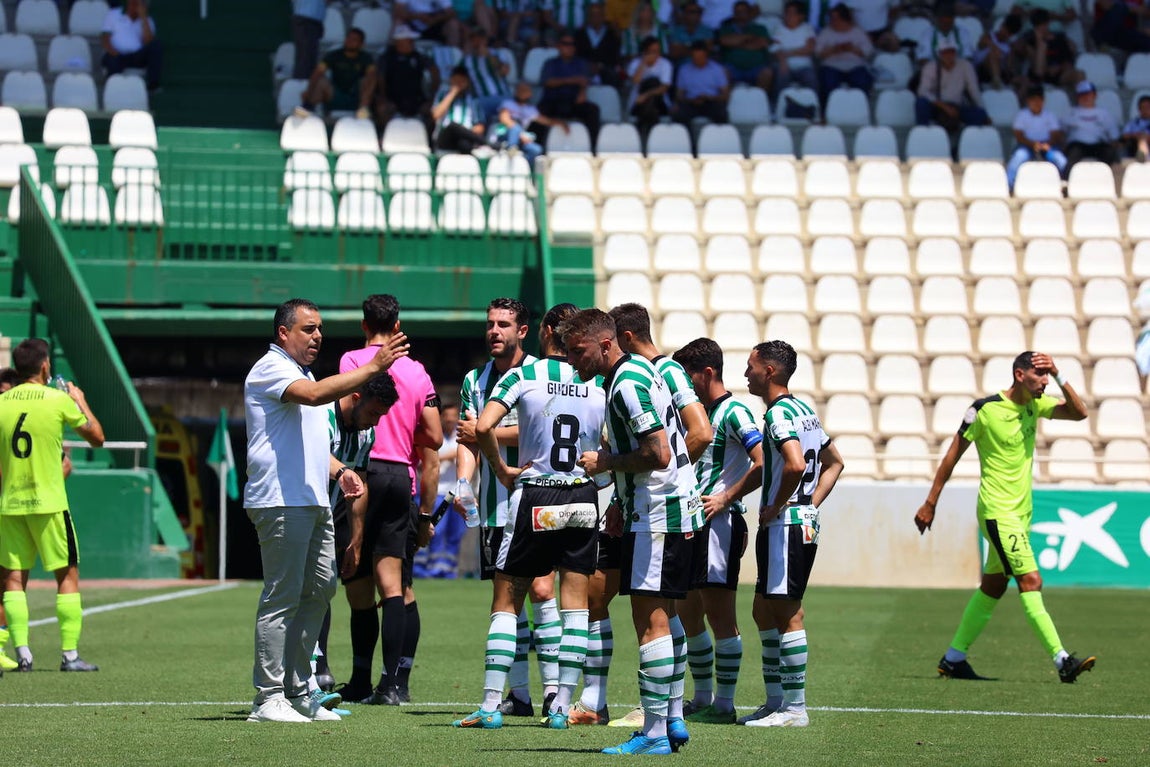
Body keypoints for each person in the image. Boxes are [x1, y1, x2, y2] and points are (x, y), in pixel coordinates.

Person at [243, 298, 408, 723]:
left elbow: (312, 441)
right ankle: (268, 696)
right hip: (281, 499)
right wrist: (374, 366)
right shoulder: (271, 367)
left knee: (319, 591)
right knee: (283, 596)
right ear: (284, 333)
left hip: (312, 499)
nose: (318, 337)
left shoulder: (303, 371)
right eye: (308, 329)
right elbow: (315, 397)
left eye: (319, 330)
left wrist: (339, 473)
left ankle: (300, 690)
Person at [455, 303, 607, 730]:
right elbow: (609, 449)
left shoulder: (524, 375)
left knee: (506, 600)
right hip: (582, 495)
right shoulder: (595, 384)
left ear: (543, 333)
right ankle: (560, 707)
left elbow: (482, 428)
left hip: (536, 493)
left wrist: (501, 469)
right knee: (575, 606)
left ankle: (490, 706)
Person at [562, 309, 704, 755]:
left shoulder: (625, 383)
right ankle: (674, 719)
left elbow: (658, 452)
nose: (573, 361)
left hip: (659, 512)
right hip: (664, 508)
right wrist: (621, 500)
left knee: (650, 621)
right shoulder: (644, 369)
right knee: (667, 615)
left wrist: (605, 464)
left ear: (606, 344)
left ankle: (655, 733)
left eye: (578, 351)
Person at [914, 351, 1095, 684]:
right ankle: (1062, 660)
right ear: (1019, 374)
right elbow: (953, 454)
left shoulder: (1034, 406)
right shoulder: (984, 410)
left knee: (994, 586)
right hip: (999, 513)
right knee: (1031, 581)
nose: (1044, 382)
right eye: (1039, 375)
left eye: (1046, 376)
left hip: (1020, 514)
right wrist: (930, 502)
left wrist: (1059, 373)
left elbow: (1080, 413)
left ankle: (953, 659)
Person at [337, 294, 442, 706]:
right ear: (397, 325)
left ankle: (360, 679)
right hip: (401, 475)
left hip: (360, 473)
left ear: (364, 325)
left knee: (356, 582)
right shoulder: (417, 371)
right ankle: (394, 684)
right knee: (394, 584)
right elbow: (433, 436)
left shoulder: (350, 362)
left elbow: (343, 409)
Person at [456, 298, 558, 718]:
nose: (494, 331)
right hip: (496, 508)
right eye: (490, 324)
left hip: (538, 500)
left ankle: (554, 691)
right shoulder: (473, 381)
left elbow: (539, 427)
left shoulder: (539, 375)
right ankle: (519, 695)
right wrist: (465, 483)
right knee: (507, 598)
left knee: (542, 590)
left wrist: (490, 433)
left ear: (523, 330)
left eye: (504, 324)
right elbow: (467, 438)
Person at [740, 340, 844, 728]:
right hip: (797, 519)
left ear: (769, 371)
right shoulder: (804, 410)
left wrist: (781, 505)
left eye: (751, 366)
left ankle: (794, 708)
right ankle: (775, 701)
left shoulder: (780, 414)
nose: (746, 373)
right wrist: (810, 504)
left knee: (787, 611)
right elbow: (836, 462)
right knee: (763, 609)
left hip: (785, 524)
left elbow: (795, 464)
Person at [671, 338, 764, 725]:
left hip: (720, 525)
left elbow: (762, 463)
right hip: (693, 522)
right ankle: (703, 696)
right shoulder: (696, 413)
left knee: (720, 615)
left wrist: (725, 497)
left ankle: (725, 704)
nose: (685, 387)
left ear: (706, 373)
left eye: (689, 376)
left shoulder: (734, 412)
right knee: (688, 612)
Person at [0, 339, 105, 675]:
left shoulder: (2, 402)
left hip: (11, 503)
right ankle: (70, 655)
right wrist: (81, 401)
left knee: (13, 580)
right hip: (49, 502)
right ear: (45, 366)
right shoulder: (57, 399)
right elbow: (96, 438)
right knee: (66, 574)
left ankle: (23, 655)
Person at [313, 371, 401, 697]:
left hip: (326, 518)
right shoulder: (321, 414)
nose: (376, 421)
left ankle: (315, 674)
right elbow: (316, 455)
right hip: (296, 511)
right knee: (300, 595)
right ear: (355, 397)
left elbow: (359, 487)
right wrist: (342, 471)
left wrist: (356, 540)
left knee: (321, 590)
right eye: (374, 412)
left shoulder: (366, 434)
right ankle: (308, 673)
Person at [413, 403, 467, 578]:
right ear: (441, 417)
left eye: (454, 416)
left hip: (457, 492)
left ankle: (449, 569)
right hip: (438, 492)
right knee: (436, 531)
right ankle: (428, 569)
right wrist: (448, 456)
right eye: (447, 416)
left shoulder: (461, 437)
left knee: (455, 533)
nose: (450, 419)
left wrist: (444, 457)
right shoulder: (435, 437)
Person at [299, 27, 376, 119]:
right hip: (336, 94)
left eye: (354, 40)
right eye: (348, 38)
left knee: (370, 78)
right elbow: (317, 72)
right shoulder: (334, 55)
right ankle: (307, 106)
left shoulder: (366, 58)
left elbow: (372, 76)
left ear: (361, 44)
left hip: (357, 97)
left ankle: (363, 109)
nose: (350, 41)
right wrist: (308, 91)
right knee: (321, 80)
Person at [538, 34, 602, 143]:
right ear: (559, 46)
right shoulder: (550, 63)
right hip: (553, 101)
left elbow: (584, 82)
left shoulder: (581, 63)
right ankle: (537, 145)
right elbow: (548, 82)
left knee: (592, 110)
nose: (569, 47)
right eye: (565, 44)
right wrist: (571, 80)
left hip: (573, 101)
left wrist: (582, 93)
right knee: (539, 111)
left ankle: (593, 146)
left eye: (572, 44)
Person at [914, 40, 989, 130]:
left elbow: (974, 90)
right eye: (945, 52)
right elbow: (922, 91)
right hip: (937, 106)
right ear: (939, 54)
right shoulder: (930, 67)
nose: (948, 55)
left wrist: (983, 110)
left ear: (956, 53)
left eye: (951, 52)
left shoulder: (965, 66)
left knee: (980, 114)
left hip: (957, 107)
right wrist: (945, 107)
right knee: (921, 103)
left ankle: (964, 139)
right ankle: (922, 133)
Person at [375, 25, 440, 128]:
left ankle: (427, 138)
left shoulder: (419, 56)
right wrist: (384, 97)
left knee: (434, 111)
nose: (412, 43)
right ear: (398, 42)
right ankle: (388, 135)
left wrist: (431, 97)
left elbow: (435, 73)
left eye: (412, 41)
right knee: (382, 109)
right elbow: (380, 78)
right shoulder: (386, 57)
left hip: (417, 99)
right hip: (393, 99)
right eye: (408, 40)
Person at [494, 82, 569, 166]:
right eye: (521, 90)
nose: (522, 93)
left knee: (536, 149)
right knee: (515, 128)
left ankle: (527, 170)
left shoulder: (530, 109)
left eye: (525, 91)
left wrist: (561, 123)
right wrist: (520, 134)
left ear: (530, 94)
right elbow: (505, 120)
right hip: (504, 135)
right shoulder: (508, 104)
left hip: (520, 139)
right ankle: (512, 149)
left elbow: (546, 121)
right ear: (516, 92)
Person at [1007, 86, 1067, 188]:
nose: (1036, 103)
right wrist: (1033, 144)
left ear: (1043, 101)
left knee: (1060, 159)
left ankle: (1066, 184)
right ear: (1028, 101)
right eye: (1033, 100)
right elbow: (1018, 135)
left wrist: (1047, 144)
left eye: (1039, 100)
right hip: (1026, 145)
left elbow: (1056, 134)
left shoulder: (1049, 115)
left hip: (1047, 145)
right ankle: (1009, 185)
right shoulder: (1022, 115)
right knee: (1018, 157)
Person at [815, 4, 874, 106]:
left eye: (835, 18)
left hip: (855, 66)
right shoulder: (826, 32)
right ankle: (827, 112)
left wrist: (852, 49)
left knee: (863, 82)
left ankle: (861, 110)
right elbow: (817, 53)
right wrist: (833, 50)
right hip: (831, 66)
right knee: (828, 83)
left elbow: (868, 52)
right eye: (831, 18)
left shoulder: (858, 32)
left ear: (844, 19)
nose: (832, 21)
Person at [101, 0, 162, 91]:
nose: (134, 6)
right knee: (111, 59)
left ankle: (153, 85)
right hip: (116, 54)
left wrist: (143, 17)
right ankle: (112, 88)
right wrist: (113, 52)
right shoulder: (114, 14)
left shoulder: (148, 21)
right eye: (133, 3)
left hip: (136, 56)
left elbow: (148, 41)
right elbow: (105, 38)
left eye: (138, 4)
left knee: (156, 46)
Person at [718, 1, 773, 93]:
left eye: (743, 11)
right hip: (733, 68)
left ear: (749, 12)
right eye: (737, 12)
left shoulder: (760, 28)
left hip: (756, 67)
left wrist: (737, 43)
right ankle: (727, 103)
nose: (740, 14)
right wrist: (749, 37)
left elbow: (762, 43)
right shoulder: (726, 28)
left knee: (767, 73)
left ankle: (758, 102)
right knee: (722, 72)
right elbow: (725, 41)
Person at [431, 66, 489, 154]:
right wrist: (453, 93)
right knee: (453, 126)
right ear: (451, 80)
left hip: (465, 138)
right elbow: (436, 115)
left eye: (462, 81)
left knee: (464, 144)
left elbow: (480, 127)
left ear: (467, 82)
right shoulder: (442, 95)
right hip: (444, 137)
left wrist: (465, 132)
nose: (459, 84)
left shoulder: (473, 101)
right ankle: (490, 144)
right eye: (456, 81)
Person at [1064, 81, 1120, 167]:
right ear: (1078, 97)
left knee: (1109, 152)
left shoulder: (1104, 113)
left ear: (1095, 95)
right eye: (1082, 95)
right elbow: (1061, 133)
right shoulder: (1070, 112)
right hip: (1077, 145)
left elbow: (1113, 136)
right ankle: (1066, 179)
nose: (1085, 97)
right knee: (1073, 154)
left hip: (1098, 145)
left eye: (1088, 94)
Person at [462, 29, 514, 122]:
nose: (478, 42)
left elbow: (504, 72)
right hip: (480, 99)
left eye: (480, 39)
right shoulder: (466, 60)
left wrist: (489, 56)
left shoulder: (498, 54)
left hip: (503, 96)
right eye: (474, 40)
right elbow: (461, 81)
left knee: (509, 113)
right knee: (474, 114)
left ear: (485, 40)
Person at [626, 36, 674, 137]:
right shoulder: (635, 64)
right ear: (645, 51)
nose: (656, 54)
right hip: (637, 103)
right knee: (650, 109)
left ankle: (642, 129)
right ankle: (652, 135)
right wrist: (643, 63)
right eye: (652, 51)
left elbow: (664, 87)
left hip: (659, 103)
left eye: (657, 51)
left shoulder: (665, 64)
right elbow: (635, 81)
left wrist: (645, 95)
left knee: (653, 83)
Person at [674, 40, 730, 125]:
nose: (697, 60)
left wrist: (710, 98)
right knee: (679, 115)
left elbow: (725, 95)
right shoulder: (684, 70)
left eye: (700, 57)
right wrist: (690, 100)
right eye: (695, 57)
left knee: (721, 114)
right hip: (691, 103)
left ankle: (719, 138)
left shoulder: (717, 69)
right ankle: (688, 138)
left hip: (711, 102)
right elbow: (679, 95)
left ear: (706, 55)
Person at [1022, 9, 1078, 89]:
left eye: (1044, 24)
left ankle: (1085, 100)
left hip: (1058, 75)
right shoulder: (1031, 41)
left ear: (1048, 23)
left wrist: (1059, 67)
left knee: (1079, 75)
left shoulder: (1059, 39)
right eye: (1039, 26)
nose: (1042, 28)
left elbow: (1068, 62)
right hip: (1038, 77)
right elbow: (1038, 71)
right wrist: (1040, 43)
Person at [770, 1, 817, 92]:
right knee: (782, 76)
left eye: (792, 13)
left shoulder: (807, 28)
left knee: (811, 78)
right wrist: (783, 61)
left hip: (804, 66)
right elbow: (775, 49)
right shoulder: (778, 28)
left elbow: (809, 49)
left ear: (800, 16)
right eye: (787, 12)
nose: (788, 16)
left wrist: (786, 53)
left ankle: (813, 105)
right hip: (784, 64)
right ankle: (779, 104)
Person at [575, 3, 623, 88]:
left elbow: (615, 56)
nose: (595, 17)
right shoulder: (579, 35)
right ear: (588, 16)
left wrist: (600, 66)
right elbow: (577, 55)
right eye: (592, 15)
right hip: (584, 71)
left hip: (606, 71)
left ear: (603, 16)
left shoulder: (611, 35)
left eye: (598, 14)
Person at [973, 14, 1023, 90]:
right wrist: (998, 52)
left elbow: (1009, 68)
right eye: (1006, 30)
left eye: (1010, 33)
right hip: (982, 71)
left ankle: (1015, 100)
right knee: (993, 55)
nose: (1006, 34)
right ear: (1002, 26)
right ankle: (997, 82)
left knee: (1024, 81)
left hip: (1000, 72)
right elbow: (984, 44)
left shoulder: (1009, 48)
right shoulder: (988, 36)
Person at [395, 0, 465, 48]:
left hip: (435, 23)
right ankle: (395, 54)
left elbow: (451, 12)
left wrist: (435, 19)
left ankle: (452, 56)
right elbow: (399, 10)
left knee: (453, 24)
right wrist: (417, 16)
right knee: (398, 21)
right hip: (413, 23)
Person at [292, 0, 327, 80]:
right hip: (306, 19)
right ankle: (301, 86)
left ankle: (307, 85)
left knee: (310, 58)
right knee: (305, 58)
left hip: (313, 20)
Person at [1121, 94, 1150, 161]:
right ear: (1139, 109)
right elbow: (1125, 135)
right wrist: (1136, 135)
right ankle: (1143, 158)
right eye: (1143, 107)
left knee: (1144, 138)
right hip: (1134, 147)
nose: (1145, 110)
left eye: (1148, 107)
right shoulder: (1133, 123)